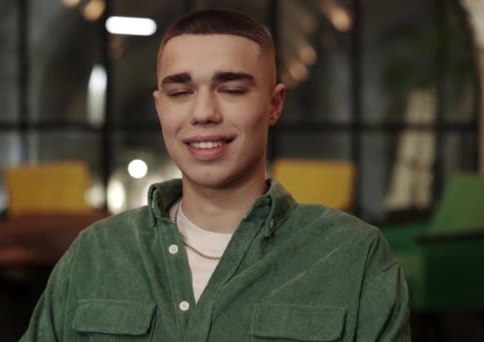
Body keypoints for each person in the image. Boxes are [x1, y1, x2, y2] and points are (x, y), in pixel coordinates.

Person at [21, 9, 410, 341]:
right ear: (160, 108)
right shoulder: (95, 254)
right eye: (181, 92)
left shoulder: (354, 257)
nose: (204, 112)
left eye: (232, 89)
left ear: (274, 105)